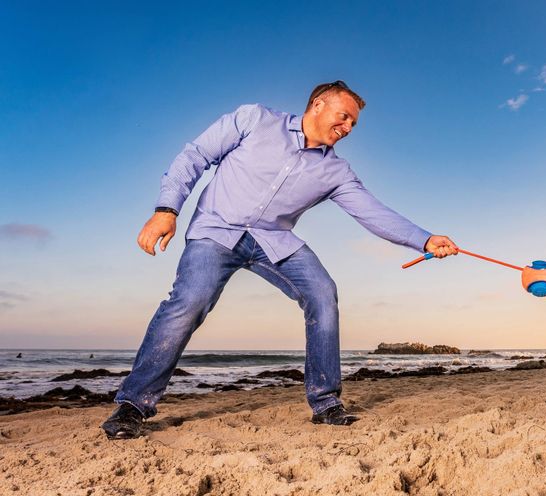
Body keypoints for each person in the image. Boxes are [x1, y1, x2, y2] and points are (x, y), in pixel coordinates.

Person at [101, 81, 458, 439]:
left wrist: (424, 239)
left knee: (322, 293)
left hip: (274, 241)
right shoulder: (254, 119)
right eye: (344, 117)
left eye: (354, 124)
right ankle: (133, 405)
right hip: (216, 229)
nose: (348, 128)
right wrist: (167, 209)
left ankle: (326, 403)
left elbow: (373, 213)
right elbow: (195, 156)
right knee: (189, 302)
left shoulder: (336, 172)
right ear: (318, 104)